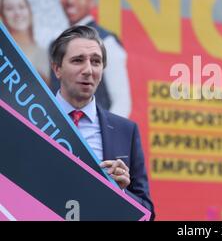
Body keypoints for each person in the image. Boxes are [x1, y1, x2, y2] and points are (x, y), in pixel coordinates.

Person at [50, 25, 155, 220]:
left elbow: (147, 213)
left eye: (96, 62)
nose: (88, 70)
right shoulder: (30, 119)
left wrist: (121, 194)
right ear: (57, 69)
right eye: (78, 60)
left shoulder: (126, 131)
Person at [51, 0, 131, 118]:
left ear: (91, 2)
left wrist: (103, 137)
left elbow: (122, 102)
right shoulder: (54, 41)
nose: (70, 0)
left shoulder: (107, 41)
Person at [0, 0, 50, 84]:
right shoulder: (3, 52)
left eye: (22, 7)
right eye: (9, 8)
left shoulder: (44, 53)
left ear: (30, 11)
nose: (17, 13)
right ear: (2, 15)